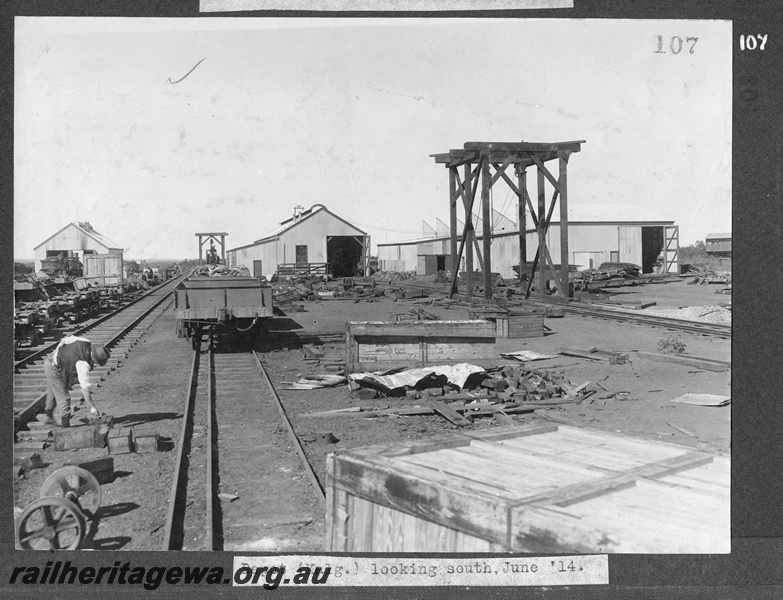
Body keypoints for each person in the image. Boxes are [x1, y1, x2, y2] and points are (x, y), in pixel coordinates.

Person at [43, 336, 110, 427]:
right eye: (96, 362)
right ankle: (65, 425)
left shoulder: (85, 341)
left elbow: (64, 340)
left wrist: (56, 351)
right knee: (64, 396)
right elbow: (85, 389)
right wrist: (92, 407)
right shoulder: (83, 364)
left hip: (51, 361)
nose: (94, 365)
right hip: (54, 368)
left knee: (54, 389)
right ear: (94, 358)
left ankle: (48, 416)